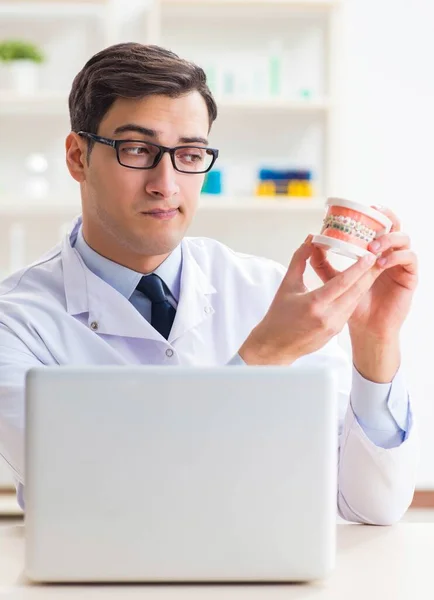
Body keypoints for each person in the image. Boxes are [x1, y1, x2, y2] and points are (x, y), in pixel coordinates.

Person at [0, 43, 419, 523]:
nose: (167, 183)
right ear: (78, 157)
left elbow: (371, 506)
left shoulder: (268, 293)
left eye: (190, 154)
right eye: (138, 149)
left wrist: (375, 343)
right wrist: (263, 357)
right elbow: (101, 493)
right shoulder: (16, 322)